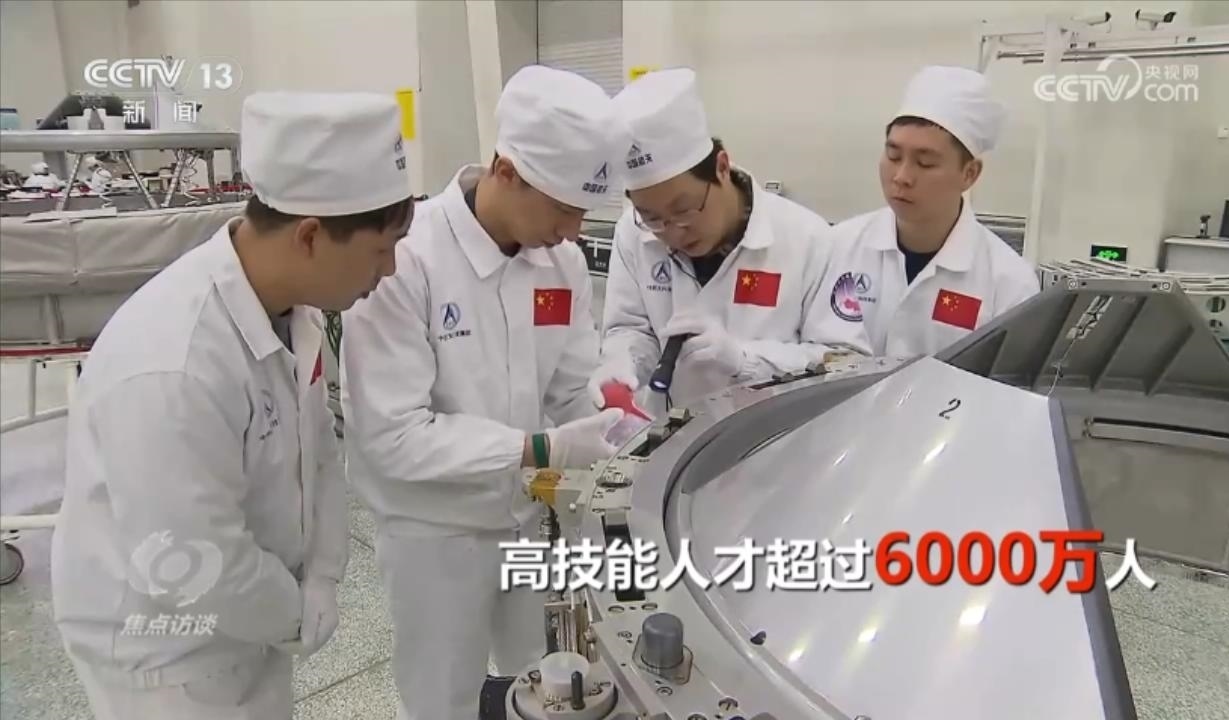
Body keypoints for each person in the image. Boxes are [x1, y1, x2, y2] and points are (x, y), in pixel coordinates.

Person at [49, 91, 414, 720]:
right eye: (381, 249)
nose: (391, 270)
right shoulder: (174, 361)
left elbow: (318, 454)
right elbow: (188, 556)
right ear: (310, 236)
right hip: (167, 659)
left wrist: (321, 576)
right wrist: (294, 612)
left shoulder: (288, 308)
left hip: (248, 621)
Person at [338, 65, 628, 720]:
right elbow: (393, 437)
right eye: (562, 207)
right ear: (506, 171)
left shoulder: (561, 262)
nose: (574, 229)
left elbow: (571, 386)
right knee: (444, 698)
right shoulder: (405, 259)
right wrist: (540, 447)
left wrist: (612, 419)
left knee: (550, 687)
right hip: (436, 534)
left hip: (532, 518)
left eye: (584, 211)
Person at [589, 68, 869, 417]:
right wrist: (623, 361)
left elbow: (848, 361)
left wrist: (744, 359)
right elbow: (630, 328)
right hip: (669, 437)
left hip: (772, 437)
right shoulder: (631, 233)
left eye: (684, 210)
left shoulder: (810, 240)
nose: (673, 233)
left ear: (721, 167)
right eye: (652, 217)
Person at [816, 65, 1041, 358]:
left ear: (969, 174)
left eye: (925, 163)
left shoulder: (1009, 284)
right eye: (893, 156)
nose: (902, 177)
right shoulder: (836, 248)